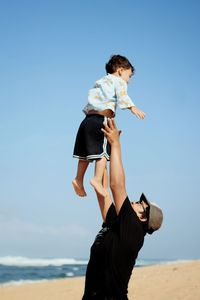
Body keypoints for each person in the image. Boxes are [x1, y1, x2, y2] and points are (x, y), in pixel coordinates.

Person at [82, 118, 163, 300]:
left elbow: (117, 185)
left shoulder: (133, 231)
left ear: (143, 218)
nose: (133, 202)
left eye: (139, 204)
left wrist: (116, 145)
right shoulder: (117, 226)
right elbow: (103, 190)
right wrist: (104, 150)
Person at [72, 54, 146, 197]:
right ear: (120, 70)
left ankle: (78, 179)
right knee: (104, 153)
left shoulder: (100, 81)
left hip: (87, 120)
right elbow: (123, 96)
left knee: (85, 154)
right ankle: (97, 180)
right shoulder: (118, 81)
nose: (128, 81)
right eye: (129, 76)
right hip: (101, 119)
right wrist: (133, 107)